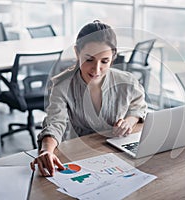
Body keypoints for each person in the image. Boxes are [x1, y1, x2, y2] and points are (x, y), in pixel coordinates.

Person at [30, 20, 147, 176]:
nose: (96, 69)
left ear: (113, 57)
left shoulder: (128, 82)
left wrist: (129, 122)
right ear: (77, 53)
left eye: (104, 61)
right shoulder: (62, 85)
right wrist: (46, 151)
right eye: (89, 59)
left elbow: (138, 108)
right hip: (79, 155)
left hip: (117, 154)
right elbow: (54, 123)